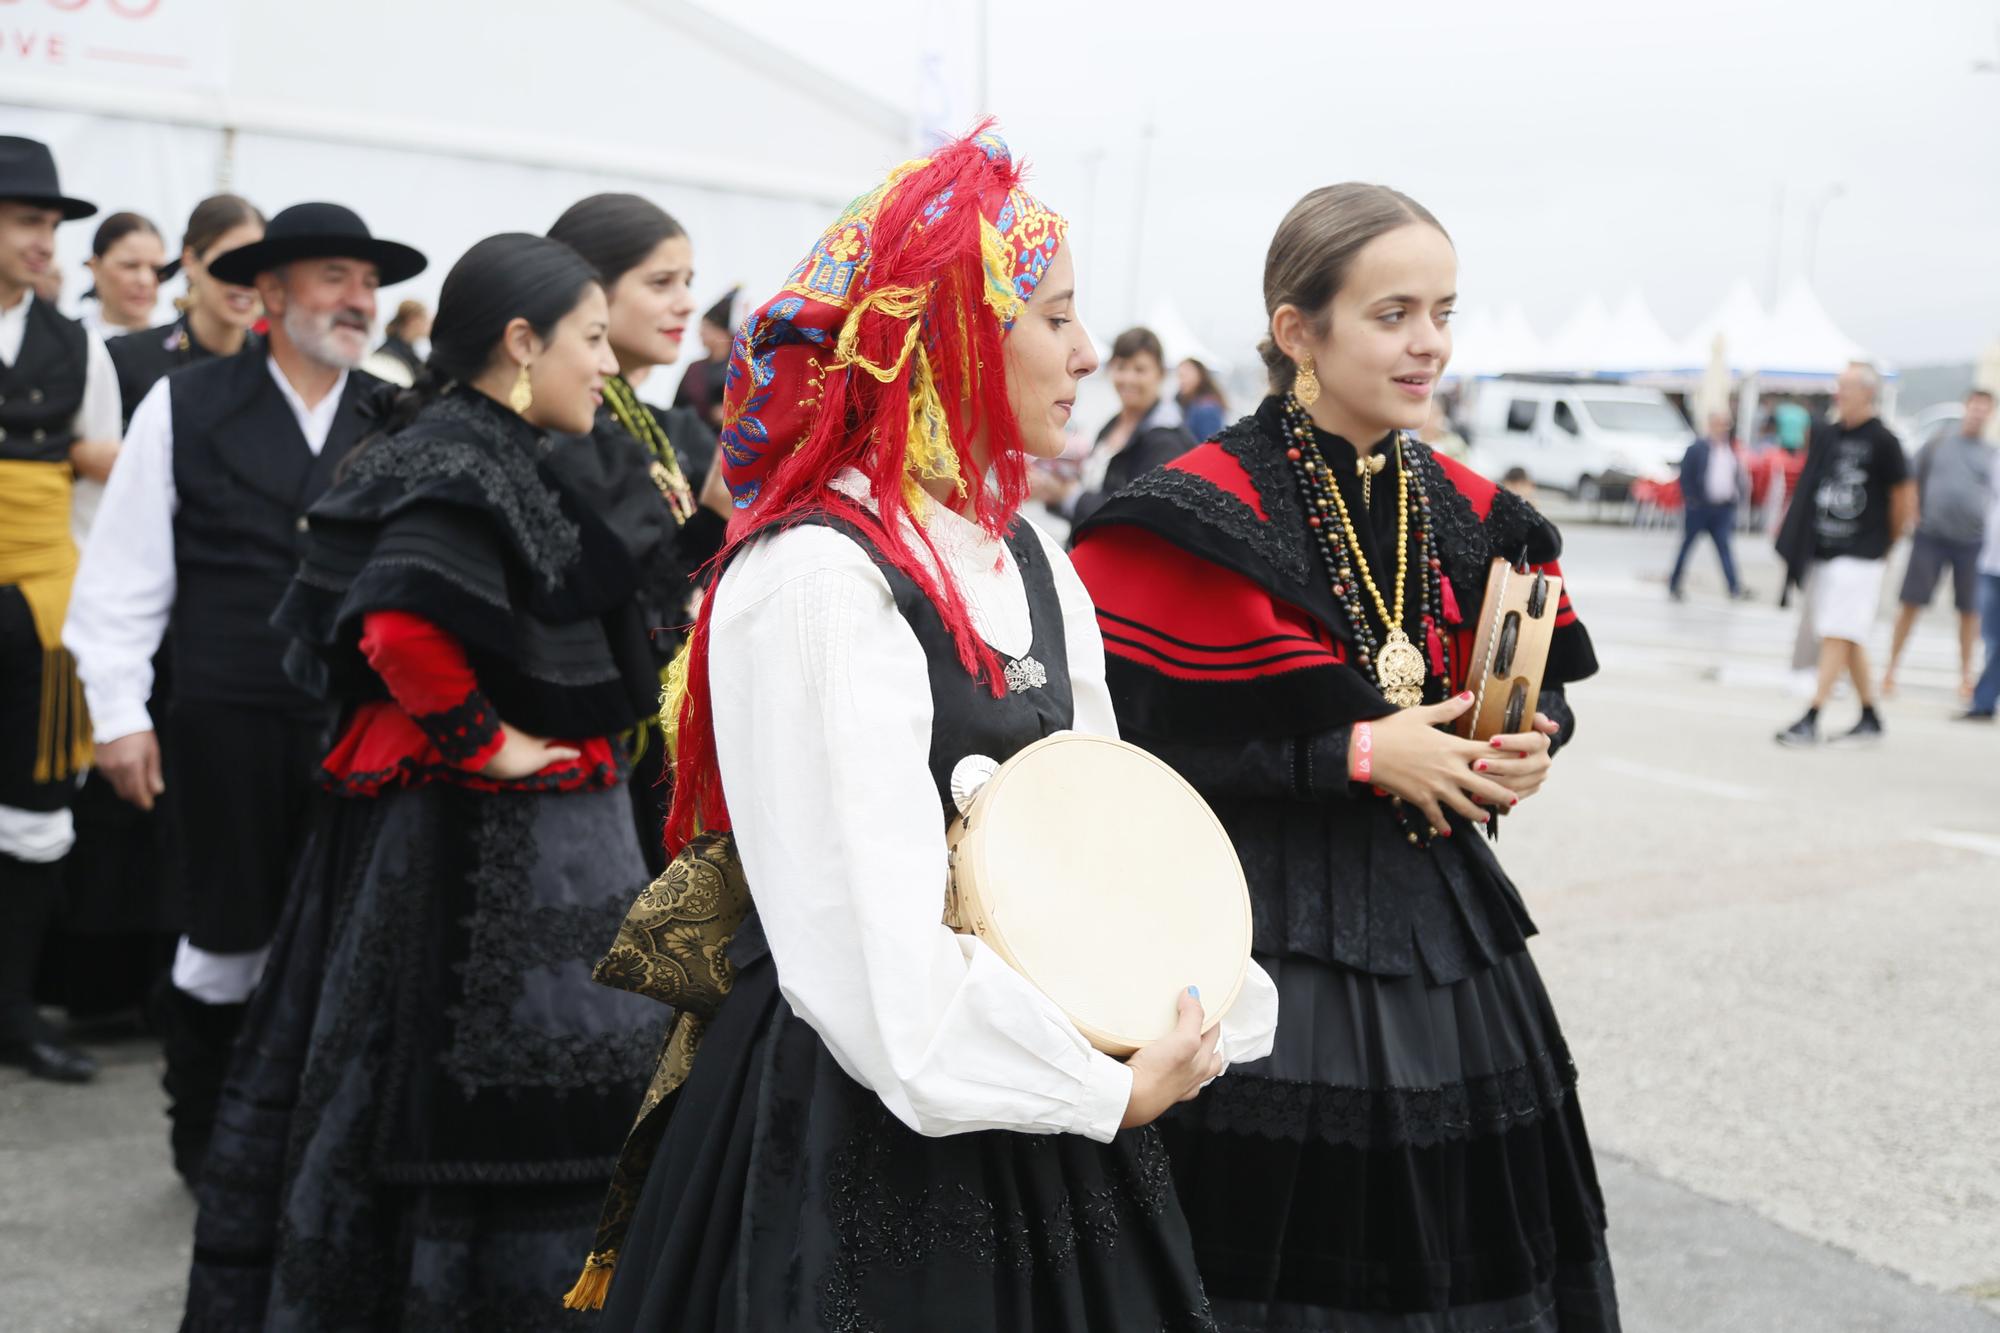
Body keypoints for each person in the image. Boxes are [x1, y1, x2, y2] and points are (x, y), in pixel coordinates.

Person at [593, 127, 1276, 1332]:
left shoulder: (1031, 554)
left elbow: (1100, 822)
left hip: (1044, 1076)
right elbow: (863, 954)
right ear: (953, 331)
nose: (1083, 355)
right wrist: (1092, 1089)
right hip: (866, 1109)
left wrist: (1180, 1003)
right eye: (1053, 318)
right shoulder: (814, 575)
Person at [1069, 182, 1619, 1331]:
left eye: (1443, 312)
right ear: (1295, 332)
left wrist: (1526, 746)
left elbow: (1539, 687)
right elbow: (1131, 749)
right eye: (1392, 313)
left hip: (1442, 934)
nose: (1428, 343)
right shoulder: (1189, 514)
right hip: (1260, 931)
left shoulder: (1473, 512)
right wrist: (1353, 752)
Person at [181, 231, 670, 1328]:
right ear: (518, 341)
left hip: (477, 833)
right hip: (465, 845)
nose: (604, 362)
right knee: (447, 1094)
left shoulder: (474, 442)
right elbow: (400, 620)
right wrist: (482, 740)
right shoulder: (458, 452)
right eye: (589, 338)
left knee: (413, 1091)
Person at [64, 201, 425, 1182]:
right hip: (220, 718)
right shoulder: (183, 403)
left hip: (351, 727)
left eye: (367, 281)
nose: (358, 300)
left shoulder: (390, 415)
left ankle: (304, 1140)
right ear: (271, 293)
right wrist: (119, 715)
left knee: (335, 942)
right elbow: (124, 576)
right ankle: (204, 1136)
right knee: (223, 939)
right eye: (334, 278)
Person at [43, 196, 268, 1030]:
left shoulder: (274, 371)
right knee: (119, 806)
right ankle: (96, 986)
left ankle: (170, 981)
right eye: (230, 263)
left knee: (197, 808)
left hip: (221, 623)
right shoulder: (130, 358)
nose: (247, 285)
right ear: (195, 264)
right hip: (137, 603)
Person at [547, 193, 732, 875]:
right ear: (588, 290)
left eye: (687, 281)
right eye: (661, 283)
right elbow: (621, 591)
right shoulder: (569, 432)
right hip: (604, 748)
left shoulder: (655, 422)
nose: (686, 302)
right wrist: (711, 518)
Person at [0, 135, 122, 1084]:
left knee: (35, 814)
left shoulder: (77, 345)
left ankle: (16, 1013)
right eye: (29, 220)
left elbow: (98, 486)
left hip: (39, 605)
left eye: (51, 223)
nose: (47, 241)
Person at [1774, 362, 1913, 746]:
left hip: (1862, 552)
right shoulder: (1831, 435)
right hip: (1826, 548)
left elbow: (1903, 498)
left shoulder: (1883, 440)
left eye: (1847, 387)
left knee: (1837, 631)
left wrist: (1887, 542)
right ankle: (1869, 715)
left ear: (1868, 393)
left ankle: (1813, 714)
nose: (1840, 394)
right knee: (1846, 634)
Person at [106, 194, 267, 429]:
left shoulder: (276, 366)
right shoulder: (127, 358)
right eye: (230, 259)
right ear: (190, 261)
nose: (244, 278)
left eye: (256, 260)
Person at [1882, 388, 1995, 699]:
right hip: (1930, 536)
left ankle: (1965, 676)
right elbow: (1911, 475)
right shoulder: (1940, 441)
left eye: (1984, 409)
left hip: (1972, 542)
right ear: (1966, 408)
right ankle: (1890, 669)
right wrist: (1913, 511)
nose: (1978, 414)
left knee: (1969, 612)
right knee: (1911, 603)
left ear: (1990, 414)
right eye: (1974, 407)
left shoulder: (1989, 453)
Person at [1032, 325, 1196, 530]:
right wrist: (1052, 491)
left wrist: (1067, 495)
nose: (1128, 378)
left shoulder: (1166, 440)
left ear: (1161, 374)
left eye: (1140, 369)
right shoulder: (1111, 425)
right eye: (1121, 367)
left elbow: (1139, 515)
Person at [1668, 409, 1752, 601]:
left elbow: (1735, 476)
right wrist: (1692, 500)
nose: (1724, 428)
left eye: (1726, 424)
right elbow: (1685, 476)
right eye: (1721, 423)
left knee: (1724, 548)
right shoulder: (1698, 448)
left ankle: (1734, 587)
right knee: (1687, 546)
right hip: (1700, 508)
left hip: (1722, 508)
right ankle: (1674, 583)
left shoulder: (1730, 449)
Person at [1964, 412, 2000, 721]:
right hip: (1992, 559)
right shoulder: (1995, 455)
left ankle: (1984, 700)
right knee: (1991, 636)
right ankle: (1984, 701)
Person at [80, 211, 166, 339]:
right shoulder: (67, 344)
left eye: (156, 268)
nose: (145, 280)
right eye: (130, 266)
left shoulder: (181, 342)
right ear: (95, 268)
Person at [669, 285, 737, 440]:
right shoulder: (694, 369)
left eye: (707, 328)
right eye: (701, 327)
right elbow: (676, 410)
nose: (701, 333)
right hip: (694, 445)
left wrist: (731, 414)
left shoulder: (742, 367)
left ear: (723, 332)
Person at [361, 296, 429, 386]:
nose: (430, 325)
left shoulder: (402, 352)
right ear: (414, 320)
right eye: (426, 320)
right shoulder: (392, 356)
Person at [1177, 354, 1228, 442]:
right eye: (1179, 376)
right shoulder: (1189, 402)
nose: (1181, 381)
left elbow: (1210, 443)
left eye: (1184, 376)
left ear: (1199, 375)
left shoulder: (1206, 408)